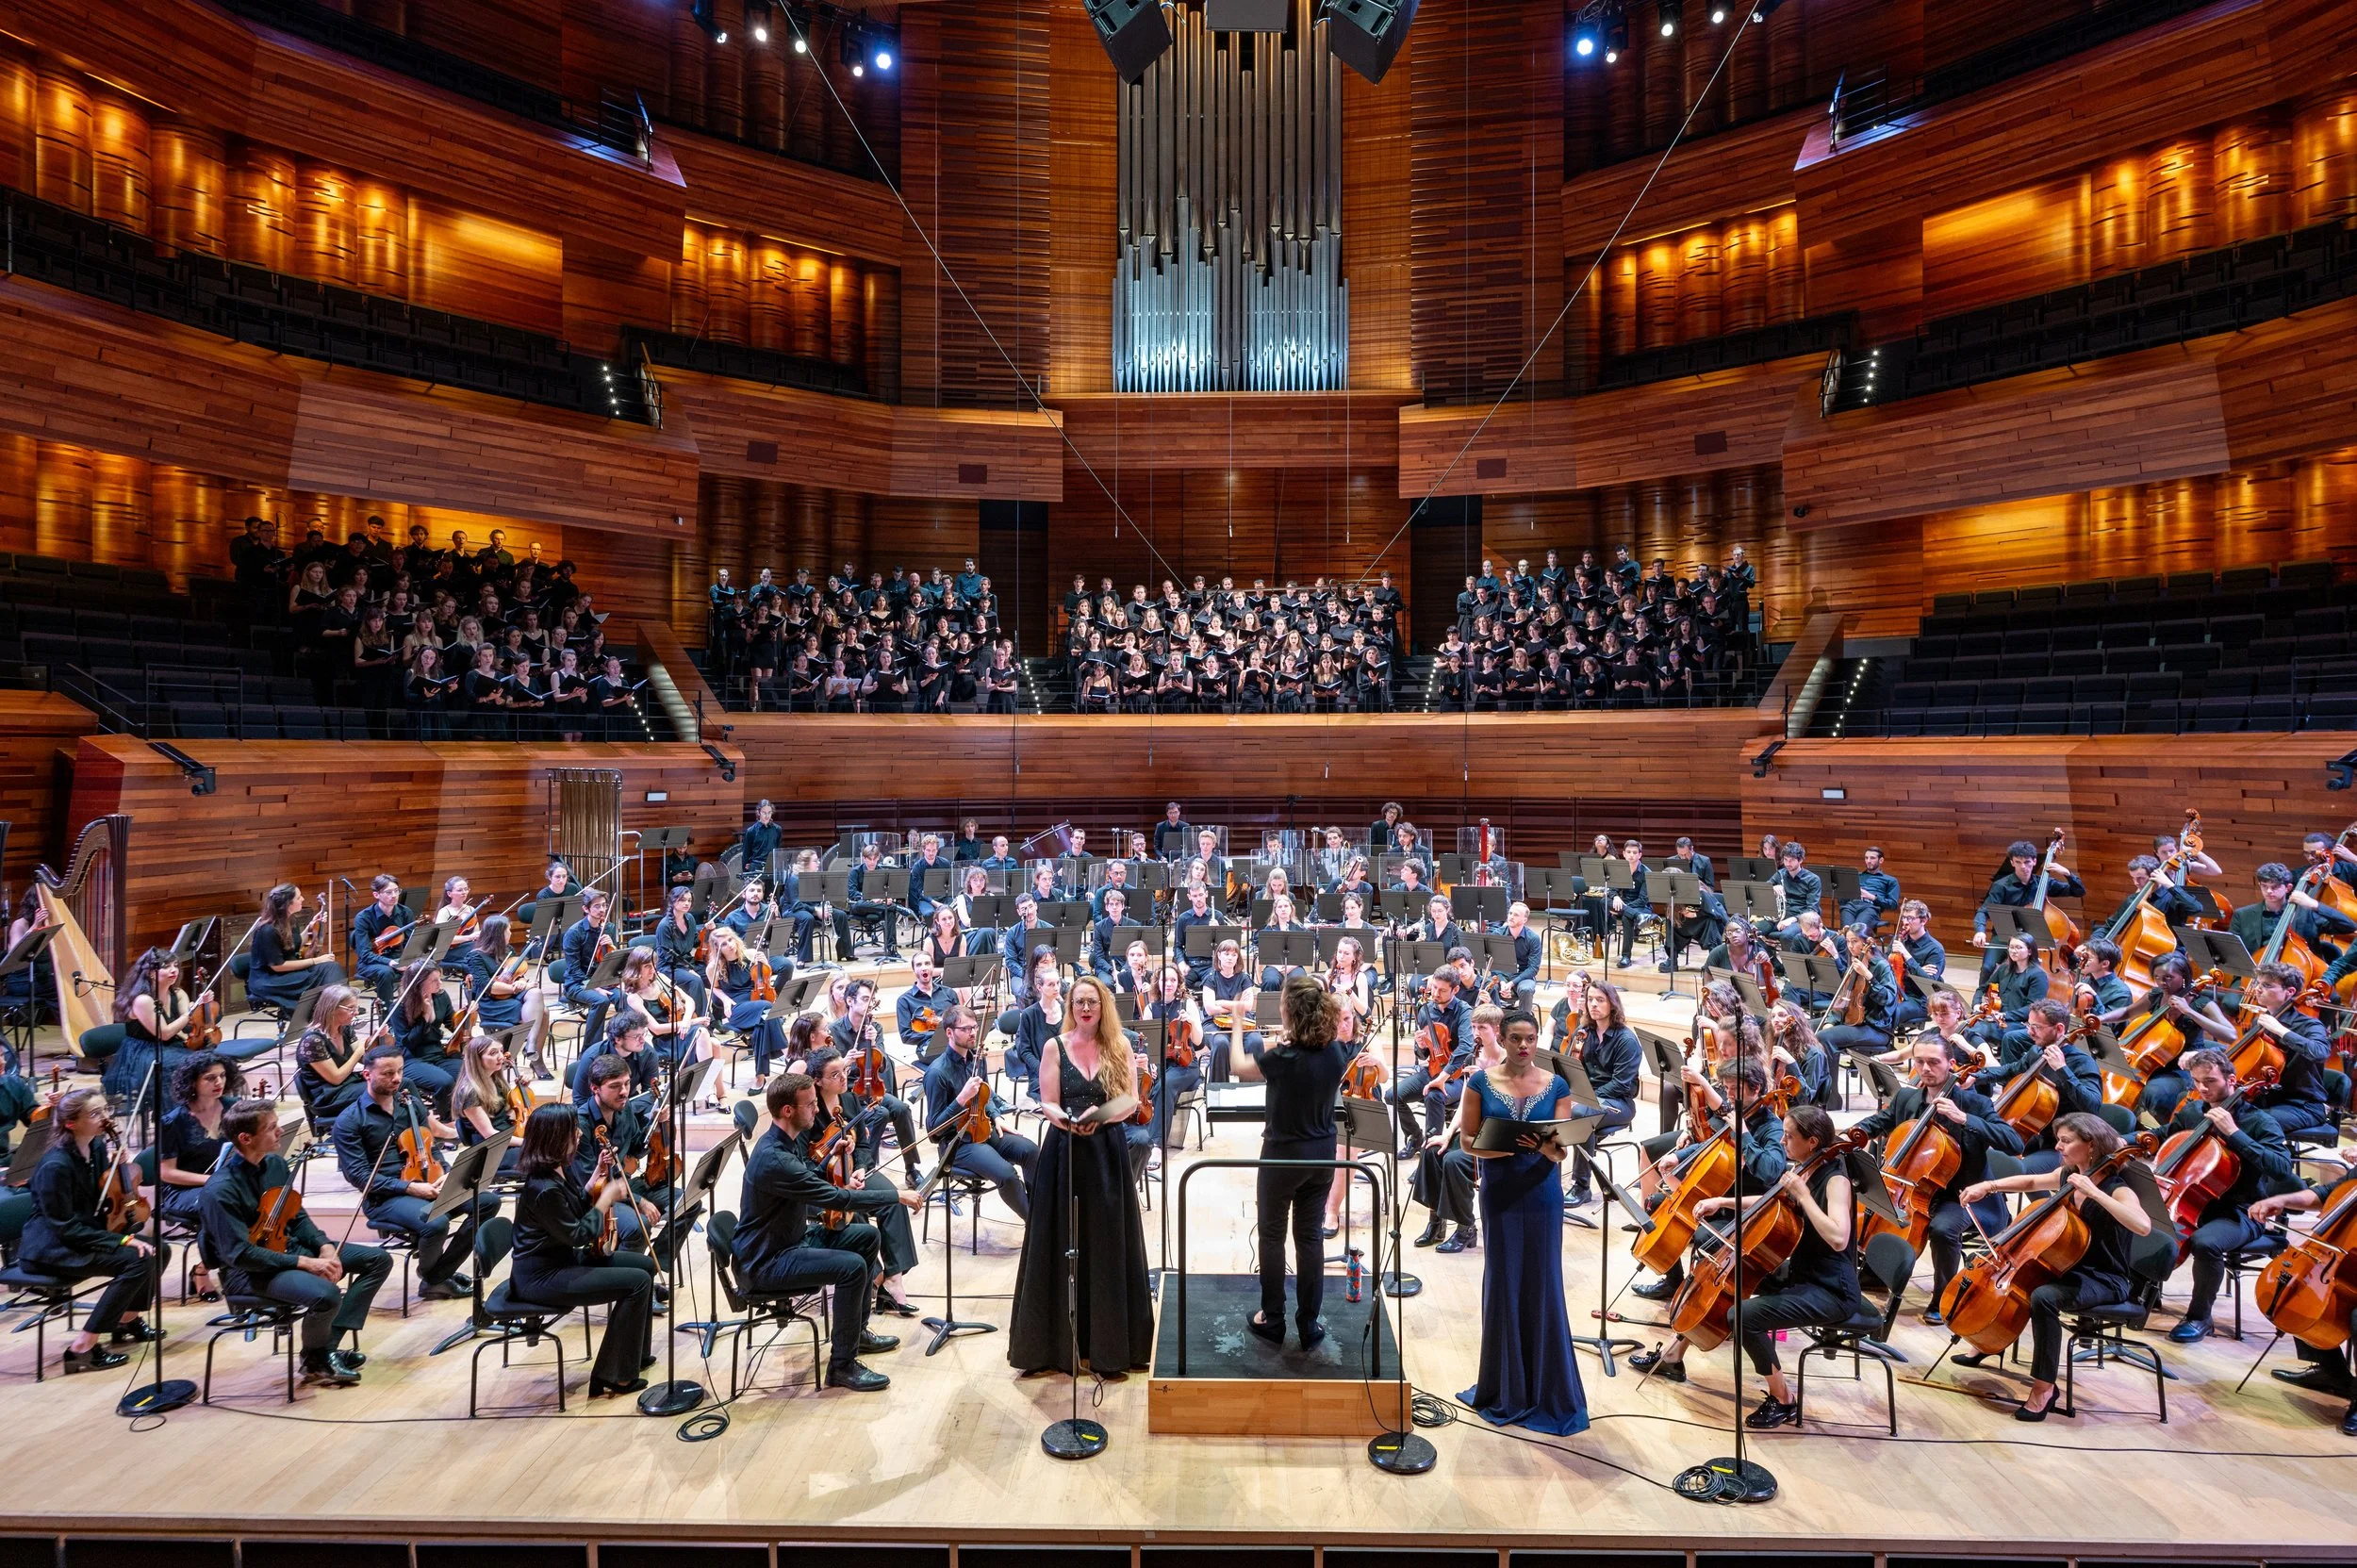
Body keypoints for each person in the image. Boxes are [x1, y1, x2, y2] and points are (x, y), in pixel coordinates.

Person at [1624, 1105, 1860, 1429]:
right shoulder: (1805, 1167)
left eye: (1789, 1136)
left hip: (1831, 1289)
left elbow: (1838, 1238)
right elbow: (1771, 1200)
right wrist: (1722, 1203)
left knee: (1744, 1316)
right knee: (1717, 1274)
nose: (1783, 1142)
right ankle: (1673, 1356)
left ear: (1813, 1141)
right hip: (1800, 1273)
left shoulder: (1835, 1180)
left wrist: (1804, 1196)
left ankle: (1783, 1399)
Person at [1956, 1111, 2154, 1421]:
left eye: (2065, 1141)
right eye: (2058, 1140)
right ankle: (1988, 1341)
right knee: (2023, 1277)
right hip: (2069, 1267)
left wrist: (2094, 1192)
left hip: (2106, 1278)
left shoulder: (2118, 1188)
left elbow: (2143, 1226)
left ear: (2091, 1145)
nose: (2058, 1147)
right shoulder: (2068, 1175)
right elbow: (2032, 1180)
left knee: (2044, 1297)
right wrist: (1990, 1186)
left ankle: (2044, 1388)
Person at [1007, 975, 1154, 1377]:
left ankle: (1110, 1349)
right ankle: (1053, 1349)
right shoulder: (1054, 1046)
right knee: (1061, 1242)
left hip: (1106, 1152)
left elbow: (1130, 1100)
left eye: (1092, 1002)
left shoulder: (1119, 1044)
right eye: (1079, 1002)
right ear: (1070, 1007)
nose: (1085, 1008)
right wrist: (1068, 1121)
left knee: (1107, 1242)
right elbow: (1048, 1102)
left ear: (1103, 1006)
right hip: (1065, 1151)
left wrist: (1100, 1115)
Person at [735, 1072, 915, 1393]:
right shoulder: (774, 1158)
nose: (817, 1109)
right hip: (766, 1260)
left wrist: (830, 1158)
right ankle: (842, 1366)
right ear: (788, 1111)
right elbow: (836, 1198)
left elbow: (809, 1181)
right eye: (810, 1105)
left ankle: (856, 1334)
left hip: (790, 1241)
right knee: (851, 1268)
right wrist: (896, 1196)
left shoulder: (785, 1142)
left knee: (866, 1237)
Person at [1456, 1007, 1590, 1435]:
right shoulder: (1479, 1082)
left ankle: (1547, 1389)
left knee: (1543, 1280)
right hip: (1500, 1193)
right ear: (1503, 1038)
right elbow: (1468, 1142)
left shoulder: (1557, 1085)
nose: (1524, 1045)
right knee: (1503, 1280)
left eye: (1530, 1038)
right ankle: (1505, 1388)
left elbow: (1561, 1145)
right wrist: (1515, 1148)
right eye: (1515, 1038)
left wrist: (1551, 1150)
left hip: (1542, 1195)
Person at [198, 1099, 391, 1388]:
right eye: (271, 1127)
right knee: (326, 1295)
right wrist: (305, 1262)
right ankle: (316, 1361)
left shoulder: (275, 1165)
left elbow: (296, 1216)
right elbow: (240, 1255)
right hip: (249, 1272)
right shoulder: (220, 1190)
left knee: (378, 1260)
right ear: (245, 1138)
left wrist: (324, 1245)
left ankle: (325, 1349)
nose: (280, 1131)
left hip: (287, 1249)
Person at [1849, 1033, 2021, 1321]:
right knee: (1870, 1204)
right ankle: (1875, 1273)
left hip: (1962, 1195)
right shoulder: (1906, 1098)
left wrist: (1964, 1119)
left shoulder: (1975, 1104)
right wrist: (1852, 1134)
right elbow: (1879, 1122)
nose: (1926, 1068)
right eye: (1919, 1062)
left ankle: (1943, 1298)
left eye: (1933, 1062)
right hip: (1912, 1189)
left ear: (1951, 1064)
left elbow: (2014, 1143)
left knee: (1942, 1229)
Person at [1228, 974, 1351, 1346]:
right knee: (1309, 1237)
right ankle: (1309, 1323)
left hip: (1282, 1157)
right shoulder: (1336, 1052)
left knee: (1272, 1235)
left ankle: (1273, 1317)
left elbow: (1238, 1065)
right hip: (1322, 1156)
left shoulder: (1281, 1058)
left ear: (1291, 1012)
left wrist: (1238, 1020)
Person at [20, 1088, 168, 1373]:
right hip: (52, 1248)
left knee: (159, 1249)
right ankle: (82, 1348)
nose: (105, 1118)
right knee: (138, 1260)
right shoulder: (55, 1166)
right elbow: (65, 1227)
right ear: (70, 1123)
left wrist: (116, 1169)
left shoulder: (97, 1147)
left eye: (106, 1110)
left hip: (82, 1235)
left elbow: (99, 1193)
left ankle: (125, 1320)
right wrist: (121, 1240)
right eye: (95, 1113)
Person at [330, 1046, 489, 1301]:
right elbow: (359, 1176)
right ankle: (434, 1279)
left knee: (487, 1201)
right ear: (367, 1075)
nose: (396, 1079)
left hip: (428, 1181)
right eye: (387, 1073)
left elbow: (430, 1146)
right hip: (386, 1198)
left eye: (400, 1071)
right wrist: (409, 1188)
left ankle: (438, 1274)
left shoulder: (410, 1105)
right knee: (436, 1222)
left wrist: (446, 1172)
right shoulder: (350, 1121)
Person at [2162, 1049, 2294, 1344]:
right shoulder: (2192, 1113)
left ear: (2231, 1080)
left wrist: (2234, 1134)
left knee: (2205, 1243)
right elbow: (2165, 1134)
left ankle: (2199, 1318)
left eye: (2210, 1081)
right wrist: (2123, 1140)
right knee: (2140, 1220)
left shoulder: (2260, 1122)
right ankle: (2136, 1297)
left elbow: (2281, 1168)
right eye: (2197, 1081)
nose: (2203, 1088)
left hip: (2242, 1211)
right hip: (2192, 1203)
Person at [806, 1048, 922, 1319]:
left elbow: (863, 1143)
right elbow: (807, 1161)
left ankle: (893, 1280)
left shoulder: (848, 1099)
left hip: (854, 1171)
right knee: (852, 1212)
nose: (843, 1078)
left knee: (892, 1199)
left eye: (844, 1071)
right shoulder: (810, 1110)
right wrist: (836, 1167)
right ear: (817, 1080)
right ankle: (875, 1278)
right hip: (826, 1182)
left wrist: (859, 1166)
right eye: (835, 1075)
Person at [2250, 1176, 2357, 1436]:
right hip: (2346, 1268)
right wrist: (2281, 1200)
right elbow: (2325, 1193)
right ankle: (2331, 1373)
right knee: (2300, 1289)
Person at [918, 1005, 1037, 1220]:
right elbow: (934, 1130)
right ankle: (1035, 1225)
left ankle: (1041, 1213)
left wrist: (996, 1116)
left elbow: (985, 1095)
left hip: (982, 1129)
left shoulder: (978, 1059)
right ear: (949, 1032)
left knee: (1031, 1151)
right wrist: (961, 1099)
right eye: (965, 1029)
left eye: (974, 1027)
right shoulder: (937, 1073)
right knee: (1007, 1174)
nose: (973, 1033)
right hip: (957, 1144)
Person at [1565, 980, 1641, 1209]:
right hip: (1589, 1100)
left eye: (1600, 1000)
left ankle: (1581, 1186)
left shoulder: (1626, 1040)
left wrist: (1584, 1099)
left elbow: (1620, 1085)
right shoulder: (1583, 1034)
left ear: (1612, 1004)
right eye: (1590, 999)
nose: (1594, 1005)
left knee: (1581, 1115)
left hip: (1619, 1103)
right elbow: (1570, 1069)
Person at [247, 883, 345, 1013]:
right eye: (298, 898)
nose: (302, 899)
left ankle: (337, 1007)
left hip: (286, 974)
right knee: (328, 969)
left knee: (331, 968)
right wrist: (316, 960)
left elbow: (294, 943)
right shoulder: (267, 931)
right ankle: (335, 1008)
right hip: (270, 980)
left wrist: (311, 926)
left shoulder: (290, 920)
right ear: (288, 903)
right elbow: (278, 966)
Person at [294, 984, 371, 1122]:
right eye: (351, 1008)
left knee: (399, 1082)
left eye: (356, 1008)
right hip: (329, 1097)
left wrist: (378, 1041)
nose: (356, 1013)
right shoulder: (313, 1040)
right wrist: (359, 1052)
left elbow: (364, 1059)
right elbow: (336, 1078)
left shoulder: (345, 1029)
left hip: (348, 1086)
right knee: (384, 1088)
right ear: (332, 1008)